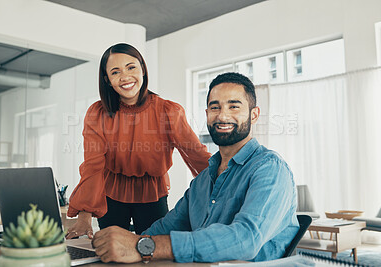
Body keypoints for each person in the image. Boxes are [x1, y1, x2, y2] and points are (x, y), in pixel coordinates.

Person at [91, 72, 299, 264]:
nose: (222, 116)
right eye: (215, 107)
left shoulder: (270, 169)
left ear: (254, 115)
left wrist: (146, 247)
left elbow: (246, 239)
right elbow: (165, 227)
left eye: (234, 106)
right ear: (207, 113)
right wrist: (123, 243)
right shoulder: (203, 180)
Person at [66, 43, 211, 239]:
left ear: (143, 68)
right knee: (113, 254)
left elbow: (196, 154)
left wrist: (229, 183)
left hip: (152, 194)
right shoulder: (97, 113)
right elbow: (93, 165)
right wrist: (84, 214)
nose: (125, 77)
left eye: (131, 67)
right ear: (107, 80)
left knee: (151, 253)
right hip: (111, 196)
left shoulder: (168, 111)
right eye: (115, 72)